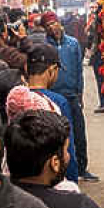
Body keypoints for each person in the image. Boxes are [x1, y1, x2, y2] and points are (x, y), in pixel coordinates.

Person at [44, 11, 94, 181]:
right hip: (54, 96)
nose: (53, 28)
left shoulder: (72, 44)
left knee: (79, 133)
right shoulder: (46, 46)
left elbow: (79, 71)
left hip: (72, 95)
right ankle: (61, 170)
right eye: (48, 25)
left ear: (59, 23)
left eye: (54, 23)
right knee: (60, 136)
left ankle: (82, 168)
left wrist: (80, 93)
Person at [23, 41, 80, 183]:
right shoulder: (58, 102)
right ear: (52, 70)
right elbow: (68, 149)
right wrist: (72, 183)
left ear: (26, 68)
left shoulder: (15, 98)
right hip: (50, 178)